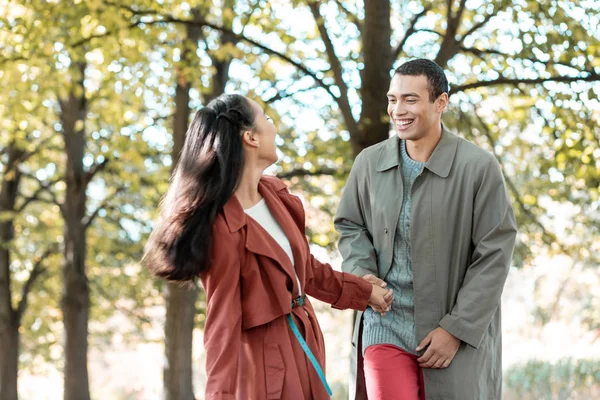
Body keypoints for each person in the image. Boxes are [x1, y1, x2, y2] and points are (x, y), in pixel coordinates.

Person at [142, 94, 393, 400]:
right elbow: (222, 324)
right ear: (250, 137)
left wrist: (364, 292)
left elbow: (307, 273)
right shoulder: (223, 228)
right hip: (266, 370)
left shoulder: (276, 196)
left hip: (305, 345)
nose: (275, 128)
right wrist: (220, 395)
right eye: (268, 120)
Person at [334, 59, 518, 400]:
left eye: (410, 99)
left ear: (440, 103)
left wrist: (455, 329)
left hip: (450, 330)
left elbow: (493, 255)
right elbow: (350, 225)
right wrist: (362, 273)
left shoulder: (479, 169)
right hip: (384, 323)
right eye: (392, 99)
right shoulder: (368, 164)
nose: (397, 109)